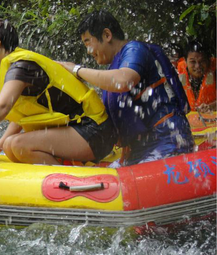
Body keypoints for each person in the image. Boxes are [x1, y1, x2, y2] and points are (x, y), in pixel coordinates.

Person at [0, 19, 114, 165]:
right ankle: (65, 167)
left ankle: (68, 183)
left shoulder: (20, 66)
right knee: (9, 146)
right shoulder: (19, 65)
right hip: (84, 131)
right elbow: (21, 119)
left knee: (17, 145)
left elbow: (3, 107)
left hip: (94, 131)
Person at [59, 10, 194, 166]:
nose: (88, 51)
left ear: (107, 35)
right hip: (137, 151)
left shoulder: (135, 49)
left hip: (167, 142)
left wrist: (76, 70)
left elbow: (124, 81)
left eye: (88, 42)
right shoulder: (113, 69)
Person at [177, 40, 216, 112]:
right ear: (185, 61)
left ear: (208, 60)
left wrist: (212, 106)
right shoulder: (176, 75)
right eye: (193, 62)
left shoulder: (215, 72)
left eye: (202, 61)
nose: (198, 66)